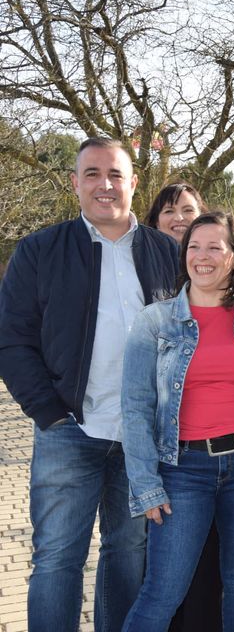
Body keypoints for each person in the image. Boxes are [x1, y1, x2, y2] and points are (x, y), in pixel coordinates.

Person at [0, 137, 179, 632]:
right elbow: (12, 339)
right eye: (93, 174)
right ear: (75, 183)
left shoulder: (166, 252)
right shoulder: (40, 251)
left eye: (116, 174)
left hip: (142, 437)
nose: (105, 185)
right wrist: (49, 413)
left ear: (134, 183)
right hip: (69, 430)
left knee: (129, 552)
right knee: (58, 557)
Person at [120, 211, 234, 632]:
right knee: (163, 589)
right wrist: (146, 484)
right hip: (181, 470)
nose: (202, 257)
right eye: (194, 247)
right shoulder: (154, 321)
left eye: (214, 247)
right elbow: (136, 407)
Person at [144, 182, 220, 632]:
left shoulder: (216, 280)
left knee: (210, 557)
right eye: (169, 211)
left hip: (214, 444)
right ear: (154, 222)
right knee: (163, 564)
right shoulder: (147, 279)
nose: (178, 218)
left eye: (188, 211)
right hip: (163, 444)